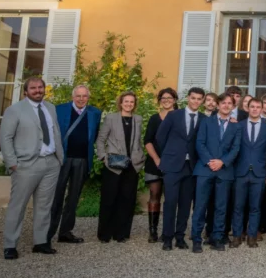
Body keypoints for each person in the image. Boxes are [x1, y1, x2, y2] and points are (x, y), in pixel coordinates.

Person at [0, 77, 65, 260]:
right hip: (26, 165)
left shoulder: (50, 108)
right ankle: (10, 245)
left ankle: (41, 242)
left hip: (51, 163)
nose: (38, 90)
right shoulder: (14, 110)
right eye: (33, 88)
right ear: (26, 91)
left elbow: (55, 132)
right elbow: (6, 138)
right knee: (17, 206)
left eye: (40, 87)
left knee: (45, 205)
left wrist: (59, 158)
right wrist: (12, 163)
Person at [49, 84, 101, 245]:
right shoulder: (59, 109)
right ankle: (47, 232)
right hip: (62, 159)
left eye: (84, 96)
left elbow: (96, 134)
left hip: (82, 159)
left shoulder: (95, 113)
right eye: (78, 96)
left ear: (88, 97)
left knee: (73, 197)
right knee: (56, 196)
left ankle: (65, 232)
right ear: (73, 97)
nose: (81, 99)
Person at [155, 87, 205, 251]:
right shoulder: (173, 115)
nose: (195, 101)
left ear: (202, 101)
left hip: (191, 167)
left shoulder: (204, 119)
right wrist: (169, 155)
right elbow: (160, 137)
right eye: (193, 98)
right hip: (172, 165)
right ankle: (167, 238)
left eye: (199, 99)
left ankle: (180, 237)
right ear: (187, 99)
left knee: (185, 204)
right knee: (170, 202)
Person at [192, 93, 241, 252]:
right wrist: (210, 161)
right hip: (205, 169)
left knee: (221, 207)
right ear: (218, 105)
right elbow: (200, 143)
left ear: (233, 107)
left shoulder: (236, 126)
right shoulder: (206, 122)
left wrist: (222, 162)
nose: (226, 105)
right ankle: (197, 239)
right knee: (200, 206)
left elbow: (235, 148)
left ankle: (217, 238)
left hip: (224, 171)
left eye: (229, 103)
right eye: (223, 103)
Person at [94, 91, 144, 243]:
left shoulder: (138, 119)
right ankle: (105, 234)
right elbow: (100, 140)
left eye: (131, 102)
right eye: (126, 101)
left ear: (134, 104)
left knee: (127, 200)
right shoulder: (111, 118)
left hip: (132, 165)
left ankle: (121, 233)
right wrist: (103, 157)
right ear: (120, 103)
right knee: (109, 199)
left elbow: (138, 141)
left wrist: (140, 158)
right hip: (114, 164)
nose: (129, 104)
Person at [231, 98, 266, 248]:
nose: (255, 109)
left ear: (262, 109)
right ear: (248, 108)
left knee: (255, 206)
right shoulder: (239, 126)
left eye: (258, 107)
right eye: (253, 107)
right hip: (241, 172)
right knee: (238, 206)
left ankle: (252, 236)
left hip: (259, 172)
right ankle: (236, 236)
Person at [143, 88, 177, 243]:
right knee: (154, 194)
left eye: (169, 98)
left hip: (174, 163)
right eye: (163, 98)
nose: (166, 100)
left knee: (171, 198)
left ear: (175, 100)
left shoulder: (179, 117)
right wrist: (157, 159)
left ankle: (168, 231)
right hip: (154, 162)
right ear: (159, 100)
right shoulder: (154, 119)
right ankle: (153, 230)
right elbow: (147, 141)